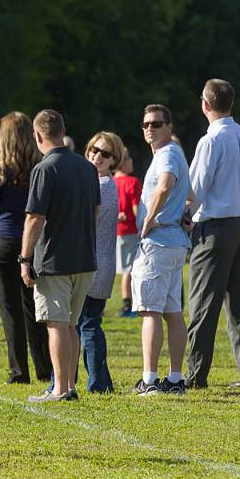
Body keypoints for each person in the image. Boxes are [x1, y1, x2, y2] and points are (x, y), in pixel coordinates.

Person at [184, 79, 240, 390]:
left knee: (204, 304)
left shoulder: (210, 140)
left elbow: (198, 188)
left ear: (205, 105)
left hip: (216, 227)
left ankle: (195, 375)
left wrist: (184, 217)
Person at [19, 109, 98, 403]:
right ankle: (70, 385)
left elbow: (34, 218)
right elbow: (96, 212)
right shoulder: (87, 167)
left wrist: (25, 258)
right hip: (84, 258)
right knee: (70, 324)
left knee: (56, 324)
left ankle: (60, 388)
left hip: (54, 259)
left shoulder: (44, 168)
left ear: (38, 136)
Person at [0, 112, 51, 385]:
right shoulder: (40, 168)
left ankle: (19, 371)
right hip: (32, 241)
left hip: (3, 240)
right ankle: (44, 368)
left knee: (10, 309)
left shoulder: (0, 172)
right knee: (35, 307)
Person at [131, 105, 192, 396]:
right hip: (176, 242)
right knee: (172, 312)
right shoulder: (175, 153)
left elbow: (166, 184)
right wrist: (185, 212)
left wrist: (150, 219)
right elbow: (191, 194)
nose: (149, 129)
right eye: (145, 124)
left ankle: (150, 380)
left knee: (150, 312)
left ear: (169, 126)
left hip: (158, 242)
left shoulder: (167, 153)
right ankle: (176, 379)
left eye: (156, 124)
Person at [79, 133, 122, 393]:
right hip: (98, 261)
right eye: (94, 150)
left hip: (94, 263)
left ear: (114, 160)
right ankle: (100, 380)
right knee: (88, 322)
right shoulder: (96, 182)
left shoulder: (103, 186)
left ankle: (99, 382)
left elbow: (86, 224)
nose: (97, 156)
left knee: (88, 323)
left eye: (105, 154)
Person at [113, 155, 142, 317]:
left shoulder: (109, 181)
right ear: (122, 162)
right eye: (129, 158)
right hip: (130, 231)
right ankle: (127, 306)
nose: (132, 161)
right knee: (128, 270)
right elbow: (137, 209)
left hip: (113, 232)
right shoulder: (132, 182)